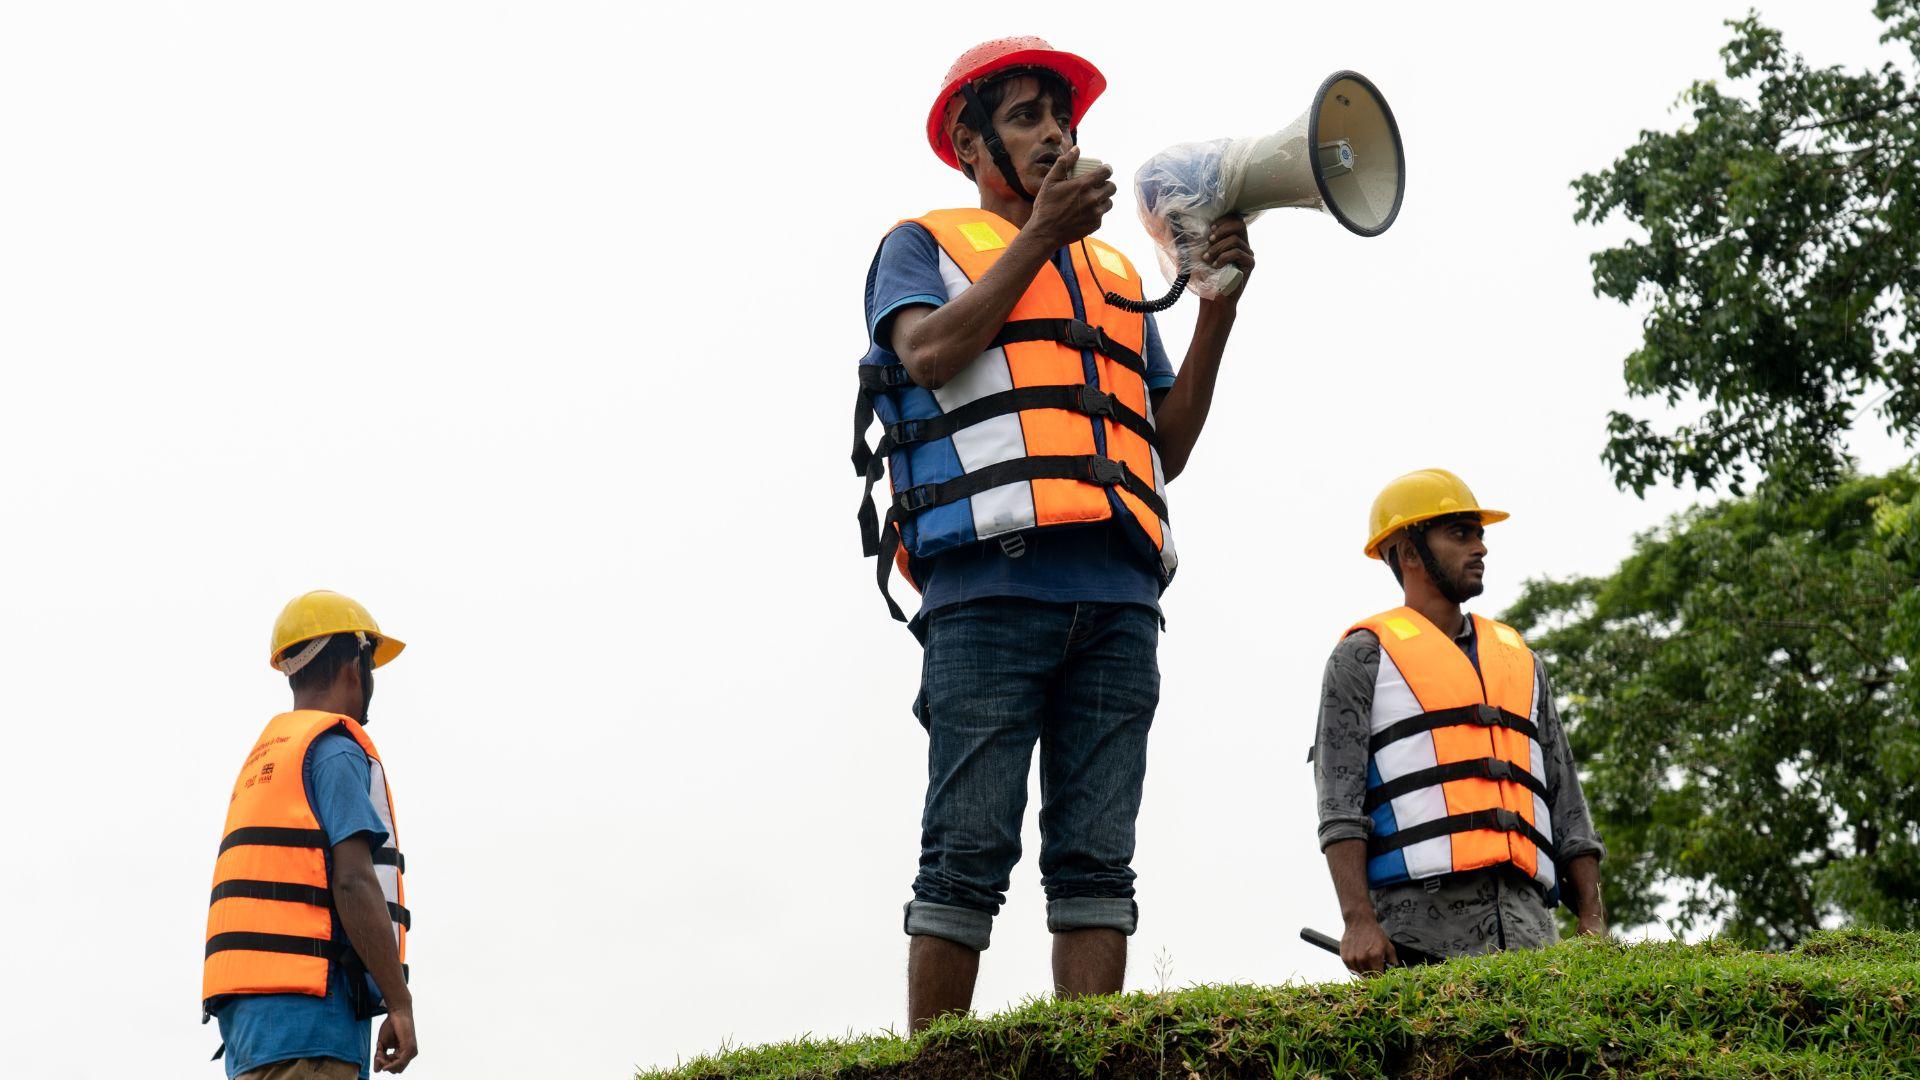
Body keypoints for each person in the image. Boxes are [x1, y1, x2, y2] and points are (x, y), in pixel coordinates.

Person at [851, 37, 1253, 1029]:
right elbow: (930, 353)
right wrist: (1037, 238)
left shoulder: (1111, 271)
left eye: (1060, 117)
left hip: (1119, 598)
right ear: (969, 143)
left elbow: (1165, 445)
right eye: (1025, 116)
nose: (1054, 134)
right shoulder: (920, 245)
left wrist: (1215, 310)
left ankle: (1089, 1059)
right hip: (989, 589)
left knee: (1097, 862)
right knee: (965, 852)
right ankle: (937, 1064)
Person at [1312, 469, 1608, 972]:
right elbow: (1339, 803)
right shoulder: (1362, 657)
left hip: (1533, 931)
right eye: (1460, 533)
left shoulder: (1522, 661)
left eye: (1479, 534)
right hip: (1417, 931)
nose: (1480, 547)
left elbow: (1567, 803)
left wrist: (1593, 918)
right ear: (1409, 552)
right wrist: (1358, 920)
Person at [202, 590, 417, 1077]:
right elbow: (353, 881)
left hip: (252, 1035)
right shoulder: (334, 750)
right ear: (354, 667)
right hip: (313, 1029)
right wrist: (399, 1004)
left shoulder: (268, 759)